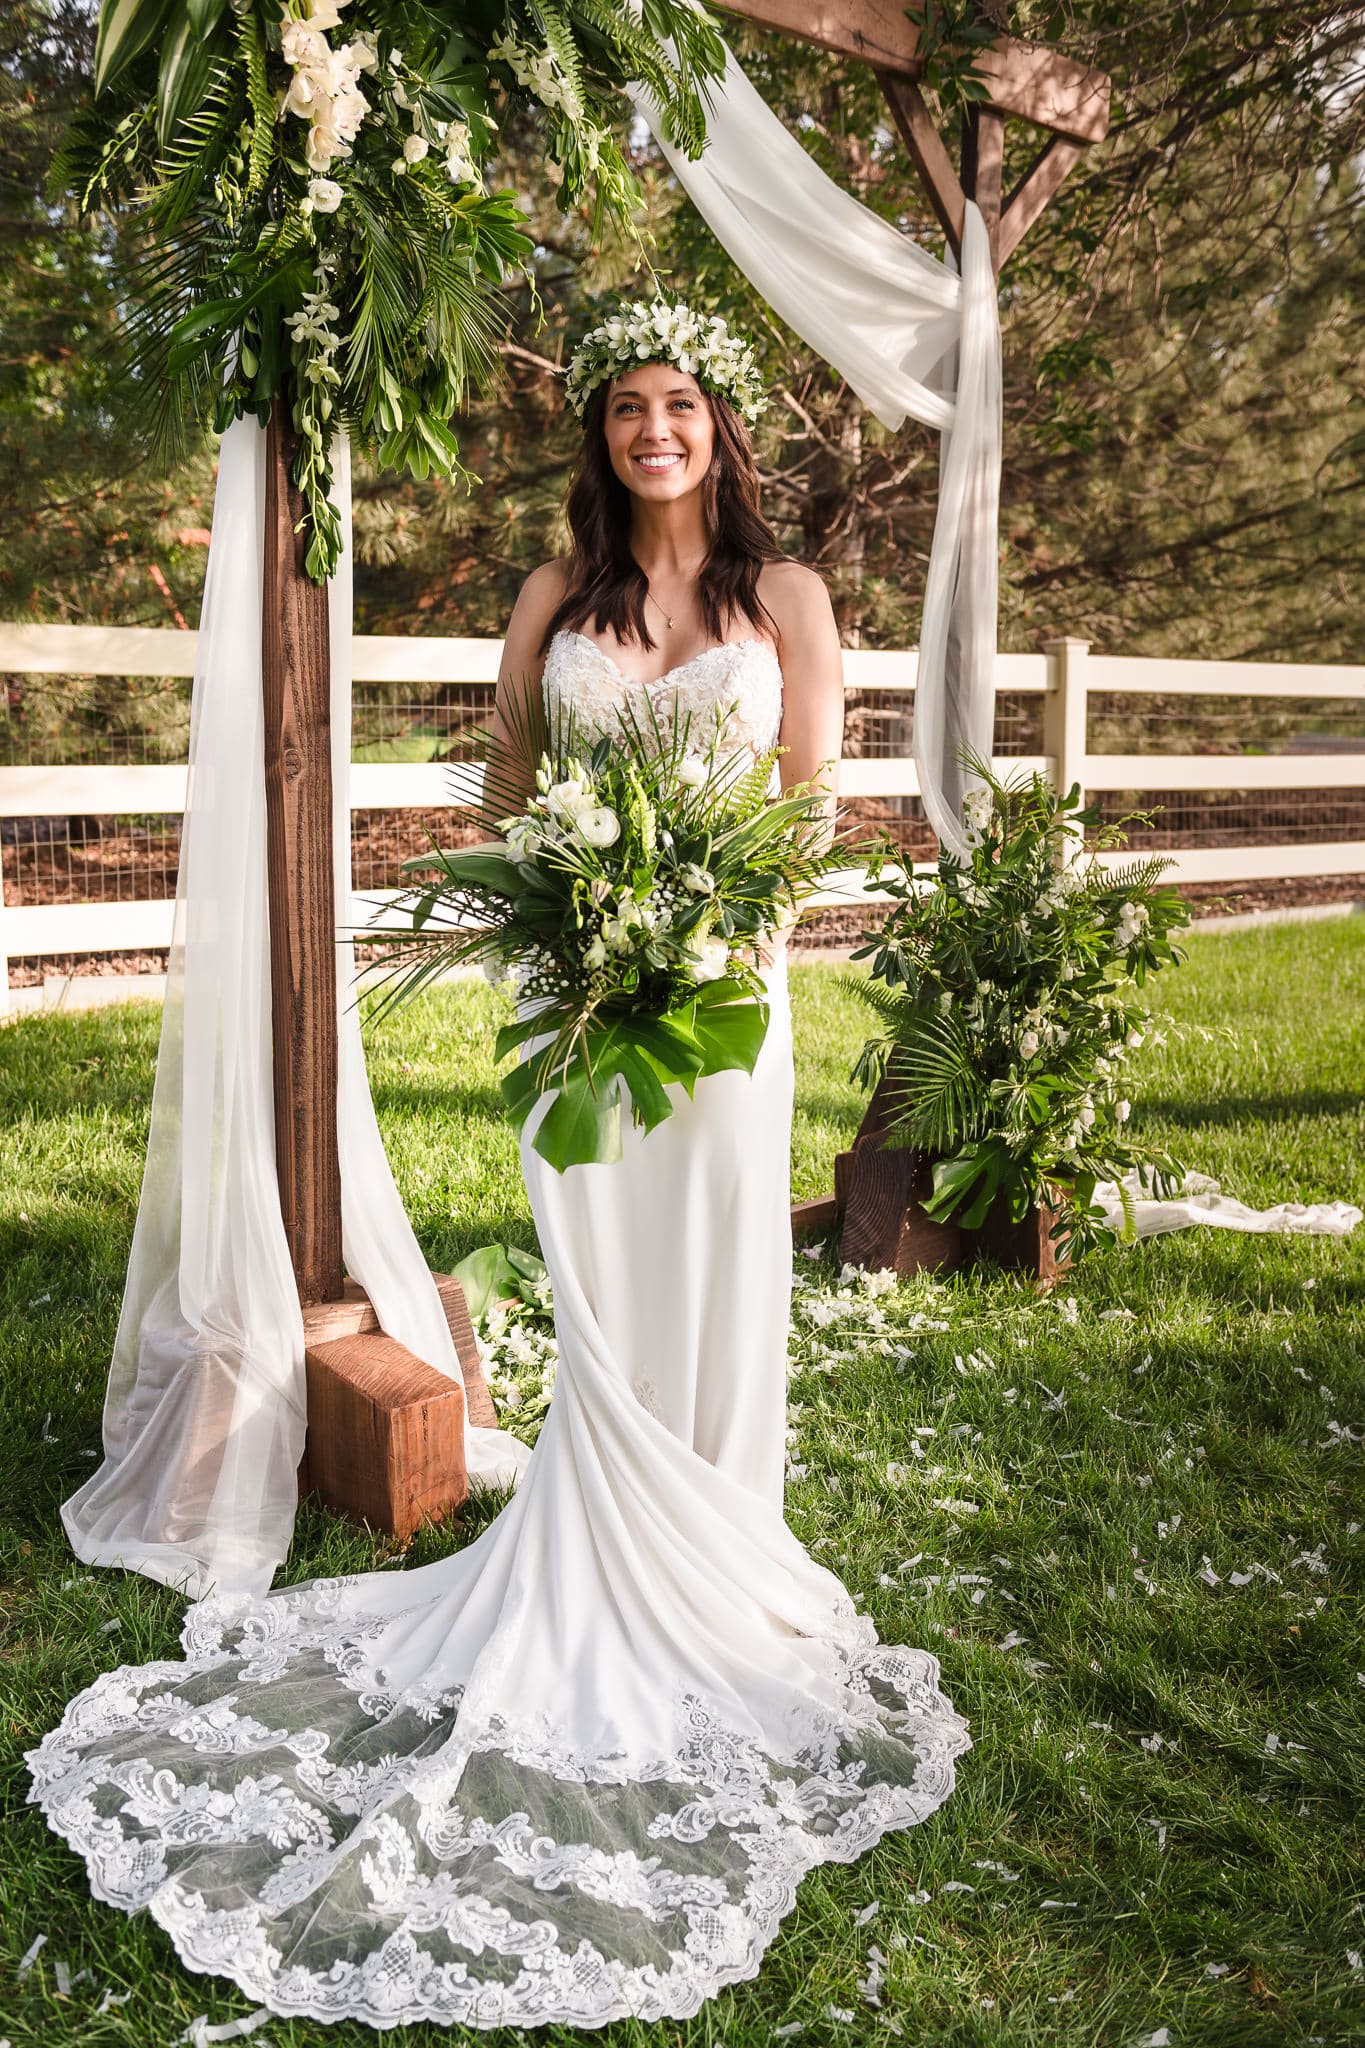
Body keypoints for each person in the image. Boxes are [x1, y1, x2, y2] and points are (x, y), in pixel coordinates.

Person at [26, 297, 972, 2031]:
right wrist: (573, 917)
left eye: (677, 403)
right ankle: (607, 1545)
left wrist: (701, 927)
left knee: (710, 1269)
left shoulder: (792, 602)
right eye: (623, 407)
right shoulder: (555, 600)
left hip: (723, 993)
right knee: (603, 1283)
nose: (651, 430)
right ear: (598, 437)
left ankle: (714, 1545)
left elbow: (810, 797)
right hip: (569, 997)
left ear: (720, 427)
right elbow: (508, 781)